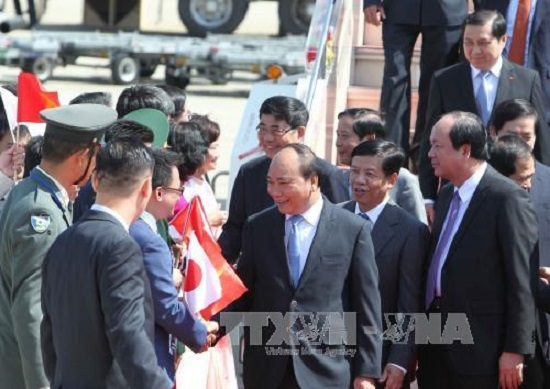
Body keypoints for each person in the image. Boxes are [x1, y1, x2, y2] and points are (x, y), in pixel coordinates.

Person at [216, 143, 382, 388]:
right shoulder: (258, 226)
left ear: (313, 181)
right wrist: (212, 326)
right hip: (267, 369)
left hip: (326, 370)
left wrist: (366, 372)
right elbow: (243, 292)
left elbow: (367, 306)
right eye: (270, 182)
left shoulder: (352, 230)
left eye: (284, 183)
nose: (274, 191)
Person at [0, 104, 117, 389]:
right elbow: (32, 310)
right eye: (96, 156)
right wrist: (43, 383)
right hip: (26, 373)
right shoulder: (41, 213)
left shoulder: (30, 191)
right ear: (81, 158)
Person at [41, 139, 173, 389]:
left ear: (95, 180)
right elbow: (128, 332)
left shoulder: (63, 241)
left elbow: (49, 334)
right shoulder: (120, 247)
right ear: (147, 188)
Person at [419, 111, 538, 388]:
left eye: (437, 146)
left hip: (482, 345)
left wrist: (515, 349)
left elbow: (522, 281)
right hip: (435, 336)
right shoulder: (447, 193)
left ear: (465, 150)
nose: (429, 154)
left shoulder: (507, 198)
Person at [417, 10, 549, 222]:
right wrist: (429, 197)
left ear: (503, 40)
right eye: (468, 42)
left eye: (483, 42)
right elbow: (429, 140)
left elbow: (542, 140)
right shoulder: (446, 80)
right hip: (460, 189)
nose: (475, 50)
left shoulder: (527, 79)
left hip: (513, 187)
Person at [218, 96, 349, 263]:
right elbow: (234, 230)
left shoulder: (328, 175)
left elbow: (341, 231)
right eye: (262, 129)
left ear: (300, 132)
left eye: (276, 130)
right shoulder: (249, 173)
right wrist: (217, 268)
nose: (267, 138)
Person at [341, 140, 429, 389]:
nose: (358, 180)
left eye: (369, 174)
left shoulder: (410, 231)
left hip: (380, 360)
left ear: (391, 180)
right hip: (329, 354)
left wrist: (400, 360)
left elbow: (409, 303)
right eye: (354, 171)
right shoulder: (334, 217)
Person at [129, 148, 214, 382]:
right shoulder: (148, 241)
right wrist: (198, 332)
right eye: (178, 192)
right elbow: (165, 307)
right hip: (149, 361)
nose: (179, 199)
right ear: (158, 192)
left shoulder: (130, 228)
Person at [363, 0, 465, 156]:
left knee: (436, 83)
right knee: (394, 80)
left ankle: (425, 152)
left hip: (447, 9)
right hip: (398, 9)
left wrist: (483, 9)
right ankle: (392, 155)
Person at [336, 108, 427, 223]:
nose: (338, 143)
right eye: (338, 135)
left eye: (345, 136)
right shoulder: (336, 177)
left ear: (369, 139)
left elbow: (417, 230)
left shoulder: (402, 179)